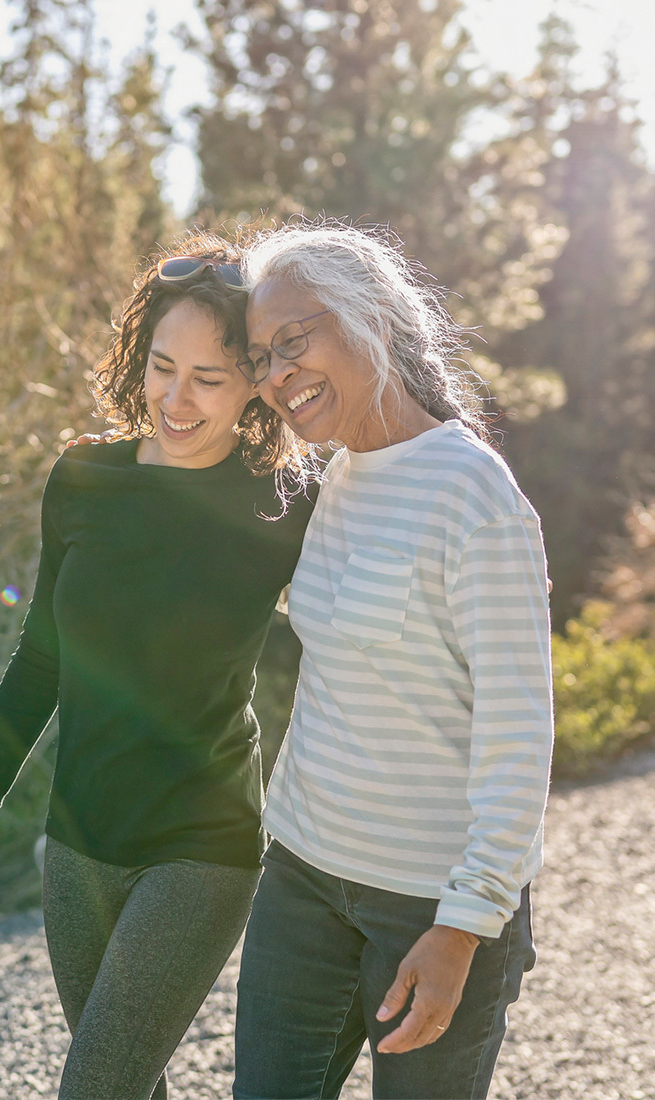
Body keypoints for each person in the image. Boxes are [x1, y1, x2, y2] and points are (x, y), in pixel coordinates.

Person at [0, 233, 315, 1100]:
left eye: (209, 379)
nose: (176, 398)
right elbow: (40, 661)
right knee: (131, 1086)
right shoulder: (82, 479)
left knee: (95, 1088)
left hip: (202, 847)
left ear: (256, 382)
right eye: (162, 366)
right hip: (76, 847)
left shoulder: (281, 509)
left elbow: (371, 619)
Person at [230, 222, 553, 1100]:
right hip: (301, 876)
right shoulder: (328, 478)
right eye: (261, 356)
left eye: (294, 340)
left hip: (430, 905)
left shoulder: (473, 493)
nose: (276, 373)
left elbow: (519, 732)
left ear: (370, 315)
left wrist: (466, 926)